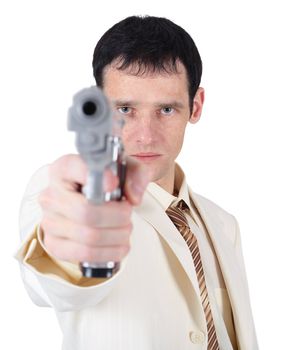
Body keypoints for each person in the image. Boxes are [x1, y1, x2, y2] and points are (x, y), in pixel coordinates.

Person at [16, 15, 258, 350]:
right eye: (125, 109)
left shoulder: (224, 225)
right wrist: (72, 250)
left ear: (196, 106)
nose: (145, 136)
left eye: (167, 110)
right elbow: (54, 280)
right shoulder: (72, 193)